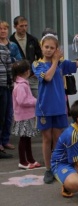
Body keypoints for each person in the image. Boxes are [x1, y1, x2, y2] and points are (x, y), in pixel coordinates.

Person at [32, 33, 78, 184]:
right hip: (44, 108)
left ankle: (57, 166)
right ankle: (48, 168)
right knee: (47, 139)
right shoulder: (38, 64)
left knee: (57, 139)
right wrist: (56, 61)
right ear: (41, 47)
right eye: (46, 47)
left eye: (52, 48)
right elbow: (48, 77)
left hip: (59, 107)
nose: (49, 50)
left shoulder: (62, 64)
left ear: (57, 49)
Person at [12, 60, 40, 169]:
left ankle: (30, 159)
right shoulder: (21, 86)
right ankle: (23, 162)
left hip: (27, 115)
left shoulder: (23, 83)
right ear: (26, 72)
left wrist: (34, 100)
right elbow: (22, 101)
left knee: (28, 138)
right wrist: (35, 101)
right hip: (23, 117)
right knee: (24, 139)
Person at [0, 20, 22, 155]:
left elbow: (18, 61)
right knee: (0, 115)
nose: (2, 31)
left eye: (4, 29)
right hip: (1, 84)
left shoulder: (12, 46)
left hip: (9, 83)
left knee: (8, 114)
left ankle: (5, 140)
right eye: (0, 29)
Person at [9, 16, 42, 98]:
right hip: (18, 77)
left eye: (25, 25)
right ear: (15, 26)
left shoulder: (32, 39)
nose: (24, 28)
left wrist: (36, 70)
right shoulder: (10, 41)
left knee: (36, 100)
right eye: (21, 26)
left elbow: (40, 56)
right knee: (21, 100)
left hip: (32, 75)